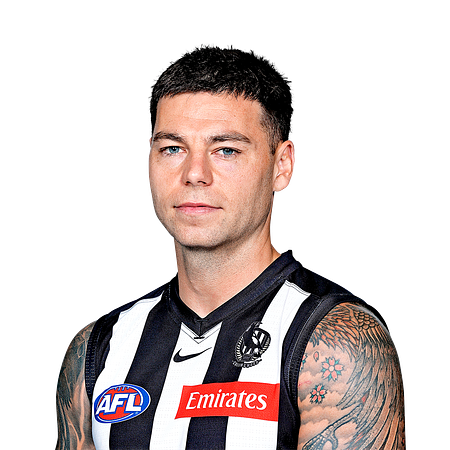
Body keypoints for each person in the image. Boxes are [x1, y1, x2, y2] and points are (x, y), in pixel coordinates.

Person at [55, 47, 406, 450]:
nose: (194, 174)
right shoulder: (97, 347)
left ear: (282, 165)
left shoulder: (335, 343)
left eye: (226, 150)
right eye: (173, 148)